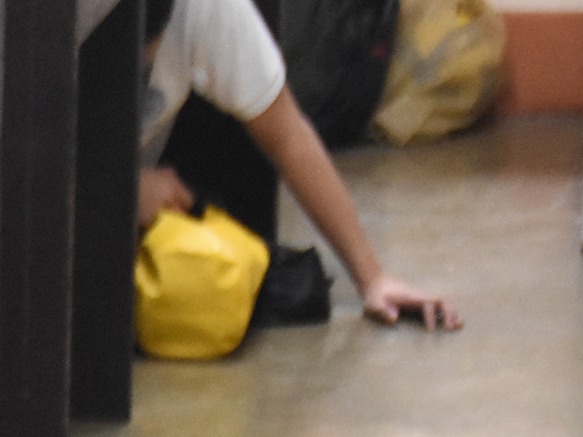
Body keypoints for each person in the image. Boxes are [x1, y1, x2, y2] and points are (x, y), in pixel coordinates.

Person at [139, 0, 463, 330]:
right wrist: (121, 191)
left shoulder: (208, 9)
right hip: (92, 205)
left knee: (283, 290)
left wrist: (373, 278)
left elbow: (288, 138)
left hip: (125, 201)